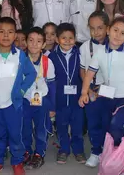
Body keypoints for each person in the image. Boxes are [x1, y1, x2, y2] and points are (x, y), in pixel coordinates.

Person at [79, 17, 124, 175]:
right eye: (115, 30)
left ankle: (123, 165)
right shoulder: (100, 51)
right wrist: (84, 93)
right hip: (108, 97)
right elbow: (89, 73)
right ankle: (110, 160)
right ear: (108, 31)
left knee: (116, 127)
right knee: (108, 128)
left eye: (123, 33)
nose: (117, 35)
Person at [0, 17, 37, 175]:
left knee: (15, 134)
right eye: (1, 32)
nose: (5, 36)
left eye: (10, 32)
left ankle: (17, 162)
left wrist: (22, 91)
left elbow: (31, 74)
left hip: (13, 105)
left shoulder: (20, 55)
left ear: (15, 35)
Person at [49, 23, 85, 164]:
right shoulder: (52, 56)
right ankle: (64, 150)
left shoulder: (80, 54)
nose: (68, 41)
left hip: (77, 99)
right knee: (62, 126)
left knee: (77, 126)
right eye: (64, 38)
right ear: (57, 39)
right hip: (60, 99)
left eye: (71, 38)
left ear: (75, 39)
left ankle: (78, 150)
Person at [23, 27, 56, 169]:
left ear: (43, 44)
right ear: (25, 42)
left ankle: (39, 154)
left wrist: (52, 106)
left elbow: (53, 86)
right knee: (24, 127)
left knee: (41, 128)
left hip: (41, 100)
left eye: (38, 41)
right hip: (24, 100)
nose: (34, 44)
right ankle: (26, 151)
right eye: (31, 40)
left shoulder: (47, 62)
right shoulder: (21, 60)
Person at [79, 11, 109, 167]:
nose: (96, 32)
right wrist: (88, 89)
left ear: (107, 28)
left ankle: (108, 151)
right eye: (92, 28)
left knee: (108, 122)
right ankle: (96, 151)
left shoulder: (114, 45)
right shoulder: (85, 47)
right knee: (93, 123)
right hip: (92, 90)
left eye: (100, 28)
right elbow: (83, 70)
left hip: (110, 91)